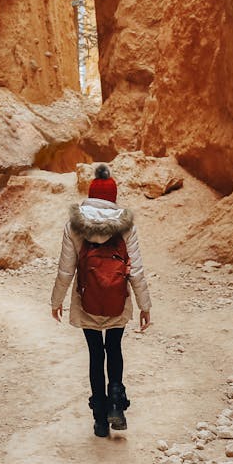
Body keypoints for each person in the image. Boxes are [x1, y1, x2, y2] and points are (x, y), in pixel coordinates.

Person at [51, 164, 152, 438]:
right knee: (115, 348)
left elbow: (66, 268)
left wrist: (56, 300)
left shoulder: (74, 224)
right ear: (113, 196)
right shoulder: (125, 225)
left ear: (91, 194)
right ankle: (116, 404)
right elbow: (137, 269)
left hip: (87, 298)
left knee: (96, 354)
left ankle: (99, 420)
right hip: (117, 297)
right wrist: (145, 306)